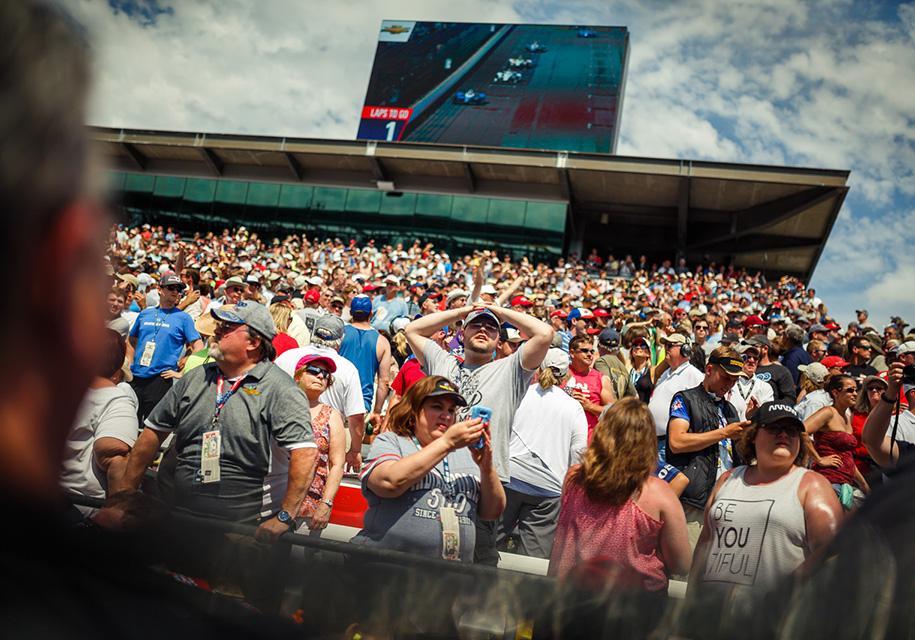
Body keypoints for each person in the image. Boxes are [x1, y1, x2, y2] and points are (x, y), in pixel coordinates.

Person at [120, 301, 317, 540]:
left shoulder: (281, 389)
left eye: (227, 327)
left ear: (254, 342)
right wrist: (124, 495)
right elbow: (152, 434)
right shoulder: (195, 377)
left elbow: (305, 454)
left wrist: (285, 516)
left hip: (240, 528)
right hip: (178, 515)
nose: (217, 331)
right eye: (219, 325)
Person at [405, 303, 552, 564]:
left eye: (491, 327)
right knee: (423, 552)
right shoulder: (443, 362)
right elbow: (413, 330)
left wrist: (498, 310)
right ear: (462, 333)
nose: (483, 329)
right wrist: (461, 313)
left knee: (477, 560)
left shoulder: (510, 369)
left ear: (498, 339)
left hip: (482, 482)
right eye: (476, 325)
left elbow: (544, 333)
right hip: (434, 473)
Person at [690, 402, 841, 598]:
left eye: (792, 431)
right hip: (711, 608)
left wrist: (784, 596)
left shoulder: (811, 485)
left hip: (772, 613)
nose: (784, 435)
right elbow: (705, 544)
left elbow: (832, 554)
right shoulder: (729, 479)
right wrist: (691, 599)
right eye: (774, 428)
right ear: (753, 436)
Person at [351, 376, 505, 563]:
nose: (446, 416)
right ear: (414, 410)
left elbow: (492, 512)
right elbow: (389, 483)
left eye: (451, 410)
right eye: (437, 407)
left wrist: (486, 467)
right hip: (387, 567)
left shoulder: (467, 453)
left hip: (447, 576)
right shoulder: (392, 441)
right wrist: (447, 443)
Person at [549, 398, 691, 591]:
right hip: (632, 601)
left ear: (602, 432)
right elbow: (682, 564)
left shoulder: (574, 478)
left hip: (571, 595)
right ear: (647, 441)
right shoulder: (658, 492)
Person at [501, 349, 588, 558]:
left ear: (539, 368)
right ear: (565, 376)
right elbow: (578, 453)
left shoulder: (520, 393)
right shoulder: (574, 407)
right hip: (548, 488)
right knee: (533, 560)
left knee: (489, 545)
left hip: (509, 477)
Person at [665, 346, 751, 548]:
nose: (729, 384)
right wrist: (725, 433)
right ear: (709, 369)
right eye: (725, 377)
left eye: (735, 380)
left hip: (726, 500)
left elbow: (737, 453)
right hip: (694, 501)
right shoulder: (685, 398)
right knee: (688, 564)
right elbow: (676, 442)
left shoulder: (730, 408)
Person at [60, 329, 139, 517]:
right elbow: (113, 451)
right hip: (81, 507)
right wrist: (114, 516)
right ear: (118, 365)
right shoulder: (115, 399)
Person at [275, 314, 367, 472]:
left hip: (283, 434)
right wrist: (355, 450)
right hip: (326, 441)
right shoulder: (348, 369)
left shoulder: (286, 357)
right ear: (340, 340)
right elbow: (356, 417)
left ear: (313, 333)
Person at [128, 272, 203, 422]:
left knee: (151, 427)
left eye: (178, 289)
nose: (176, 292)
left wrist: (182, 373)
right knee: (129, 423)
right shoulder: (145, 313)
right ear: (159, 289)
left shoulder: (183, 318)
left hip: (160, 379)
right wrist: (129, 363)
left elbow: (199, 347)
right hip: (135, 376)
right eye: (171, 288)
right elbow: (131, 340)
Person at [292, 354, 346, 535]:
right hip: (273, 501)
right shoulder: (279, 406)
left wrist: (326, 503)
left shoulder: (332, 416)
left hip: (308, 509)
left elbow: (337, 464)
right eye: (314, 370)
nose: (321, 376)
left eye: (325, 374)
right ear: (298, 375)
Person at [804, 375, 870, 509]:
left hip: (846, 484)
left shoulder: (847, 417)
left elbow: (847, 457)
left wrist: (864, 485)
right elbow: (801, 431)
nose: (855, 394)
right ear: (835, 392)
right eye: (850, 390)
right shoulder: (828, 412)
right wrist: (819, 459)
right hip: (828, 481)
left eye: (856, 390)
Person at [648, 333, 704, 461]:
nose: (666, 349)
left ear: (685, 350)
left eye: (670, 346)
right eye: (665, 346)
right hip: (653, 441)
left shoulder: (694, 374)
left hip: (669, 445)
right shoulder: (666, 373)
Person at [339, 294, 392, 428]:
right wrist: (377, 411)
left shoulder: (340, 333)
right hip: (360, 405)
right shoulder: (382, 341)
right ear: (371, 314)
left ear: (351, 313)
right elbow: (384, 381)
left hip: (336, 399)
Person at [562, 336, 615, 440]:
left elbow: (613, 411)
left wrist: (590, 406)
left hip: (589, 441)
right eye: (585, 351)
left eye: (592, 351)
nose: (590, 354)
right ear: (572, 353)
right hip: (563, 439)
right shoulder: (562, 374)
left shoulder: (601, 379)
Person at [850, 375, 888, 477]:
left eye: (879, 388)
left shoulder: (893, 415)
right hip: (860, 469)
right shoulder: (856, 415)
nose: (874, 390)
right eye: (870, 388)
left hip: (885, 469)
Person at [726, 343, 774, 420]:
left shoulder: (765, 387)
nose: (751, 360)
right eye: (747, 357)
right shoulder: (727, 382)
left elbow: (768, 415)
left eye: (755, 358)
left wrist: (754, 414)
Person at [594, 328, 637, 400]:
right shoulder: (622, 366)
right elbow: (635, 396)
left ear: (599, 346)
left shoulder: (600, 362)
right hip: (620, 405)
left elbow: (606, 385)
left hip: (608, 405)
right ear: (617, 348)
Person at [751, 334, 797, 402]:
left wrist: (771, 407)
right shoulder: (746, 370)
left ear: (765, 349)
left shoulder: (781, 371)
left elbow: (790, 399)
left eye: (753, 346)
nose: (749, 349)